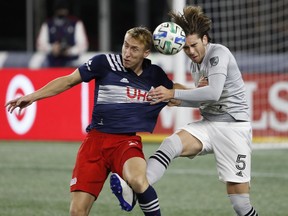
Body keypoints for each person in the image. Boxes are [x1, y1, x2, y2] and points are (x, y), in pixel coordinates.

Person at [6, 26, 179, 216]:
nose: (127, 53)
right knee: (77, 212)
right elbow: (68, 80)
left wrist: (204, 92)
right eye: (125, 46)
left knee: (138, 180)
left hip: (125, 142)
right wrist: (33, 96)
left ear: (146, 53)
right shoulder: (104, 63)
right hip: (95, 142)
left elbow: (175, 93)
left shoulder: (155, 75)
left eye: (134, 49)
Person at [113, 5, 259, 216]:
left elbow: (214, 93)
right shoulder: (195, 65)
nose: (191, 52)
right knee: (170, 144)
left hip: (234, 128)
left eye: (194, 45)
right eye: (186, 48)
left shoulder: (219, 53)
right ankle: (135, 189)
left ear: (205, 40)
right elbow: (204, 102)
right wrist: (176, 100)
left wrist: (174, 94)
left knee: (241, 205)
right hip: (209, 125)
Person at [36, 0, 88, 67]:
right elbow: (40, 44)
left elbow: (83, 45)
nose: (62, 12)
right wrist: (52, 48)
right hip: (52, 61)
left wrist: (70, 51)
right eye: (59, 9)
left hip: (72, 61)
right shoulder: (48, 24)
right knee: (37, 61)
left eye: (63, 9)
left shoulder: (76, 23)